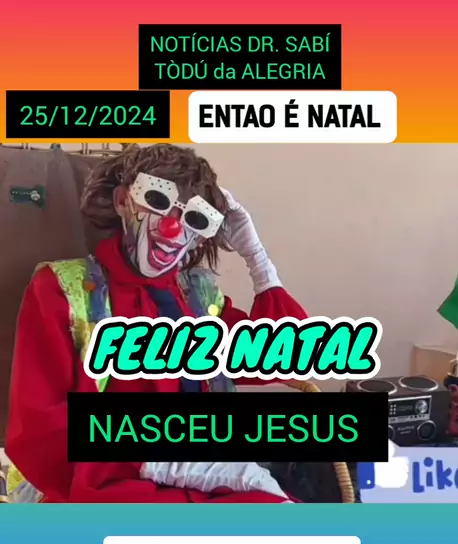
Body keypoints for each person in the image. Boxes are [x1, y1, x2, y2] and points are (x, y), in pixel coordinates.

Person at [6, 144, 308, 504]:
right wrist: (161, 462)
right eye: (157, 200)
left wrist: (256, 257)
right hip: (101, 485)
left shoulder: (199, 298)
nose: (171, 228)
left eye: (195, 219)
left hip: (205, 486)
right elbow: (42, 428)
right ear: (123, 201)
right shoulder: (60, 291)